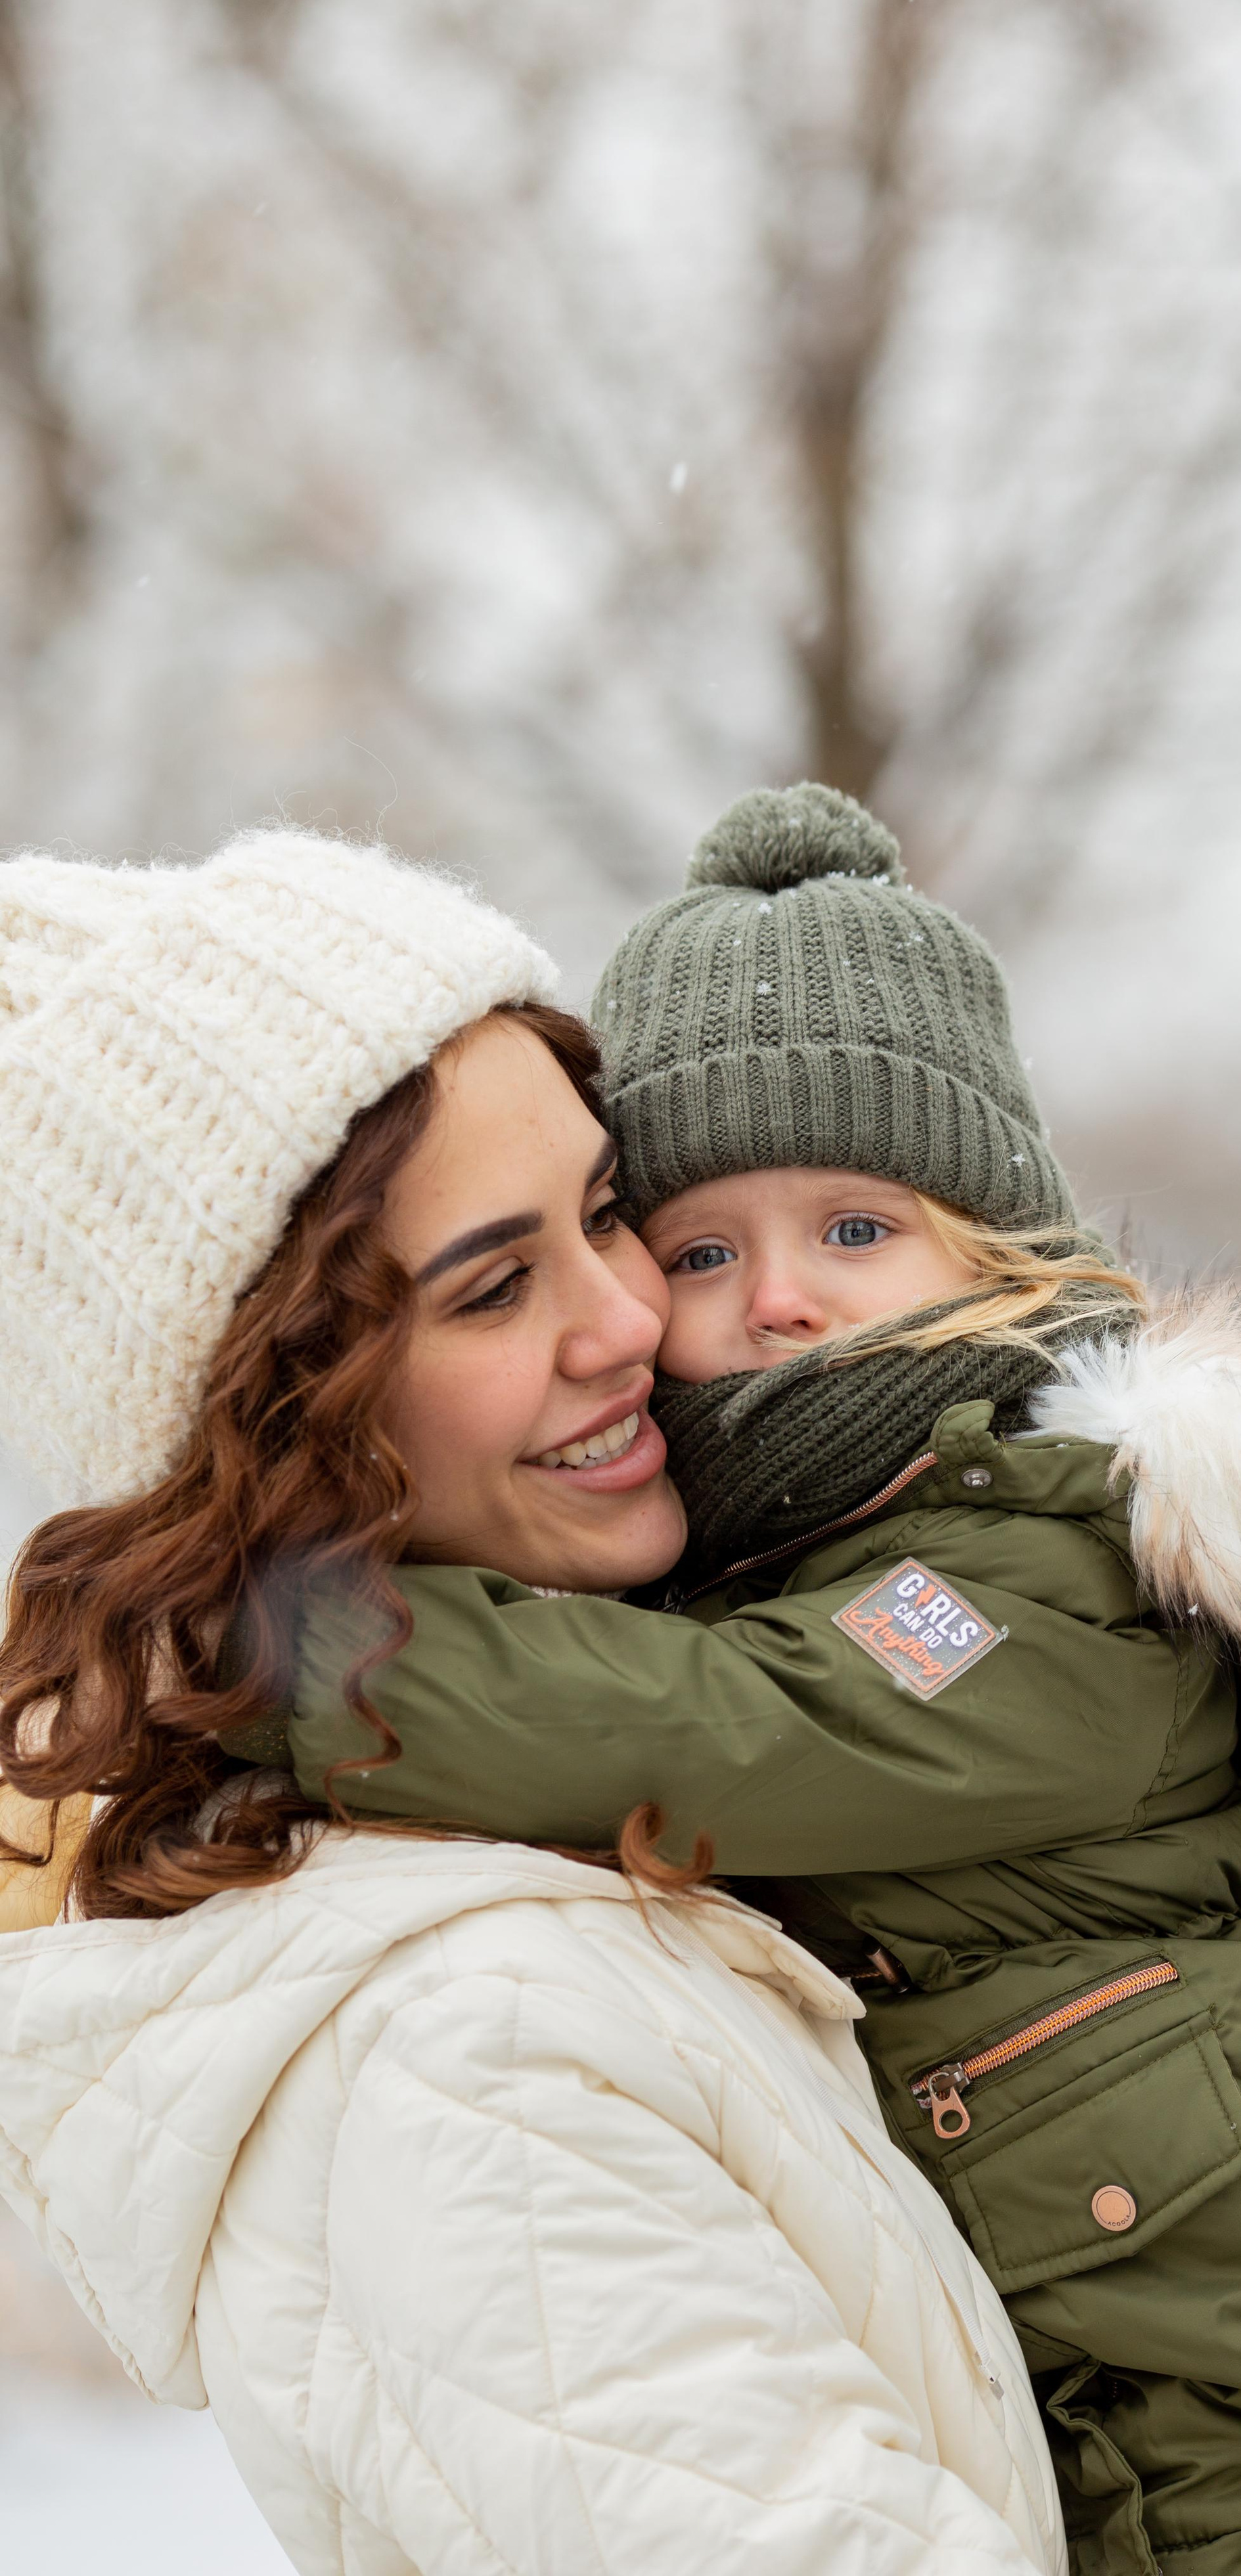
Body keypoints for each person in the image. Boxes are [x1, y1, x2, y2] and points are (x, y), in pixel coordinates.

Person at [269, 786, 1241, 2576]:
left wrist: (292, 1650)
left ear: (997, 1250)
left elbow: (736, 1730)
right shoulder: (811, 1559)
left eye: (856, 1230)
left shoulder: (1039, 1567)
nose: (778, 1300)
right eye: (704, 1250)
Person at [0, 828, 1065, 2575]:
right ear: (282, 1432)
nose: (637, 1313)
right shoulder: (469, 2053)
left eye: (604, 1211)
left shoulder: (613, 1825)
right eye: (497, 1286)